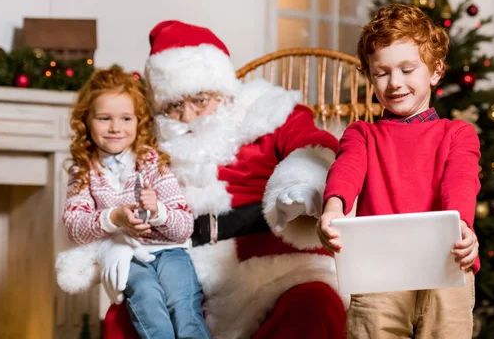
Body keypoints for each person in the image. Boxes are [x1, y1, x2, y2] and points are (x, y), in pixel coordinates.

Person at [58, 22, 347, 339]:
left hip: (277, 272)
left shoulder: (267, 114)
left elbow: (315, 149)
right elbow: (108, 201)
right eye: (174, 106)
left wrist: (302, 183)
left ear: (223, 93)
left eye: (200, 100)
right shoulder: (147, 145)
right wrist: (112, 247)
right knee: (122, 319)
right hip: (188, 277)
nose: (187, 117)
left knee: (313, 308)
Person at [317, 4, 481, 339]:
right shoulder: (362, 134)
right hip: (379, 275)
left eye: (408, 70)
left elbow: (461, 181)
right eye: (382, 73)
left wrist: (462, 225)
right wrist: (333, 208)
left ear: (435, 71)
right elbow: (346, 169)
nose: (395, 83)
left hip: (446, 271)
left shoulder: (457, 133)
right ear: (370, 78)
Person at [60, 68, 210, 338]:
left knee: (183, 304)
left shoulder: (152, 161)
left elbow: (184, 227)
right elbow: (75, 228)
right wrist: (114, 217)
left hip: (170, 251)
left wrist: (158, 211)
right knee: (148, 301)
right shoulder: (82, 171)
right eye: (104, 118)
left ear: (138, 121)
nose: (116, 128)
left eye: (126, 118)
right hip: (126, 255)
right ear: (86, 121)